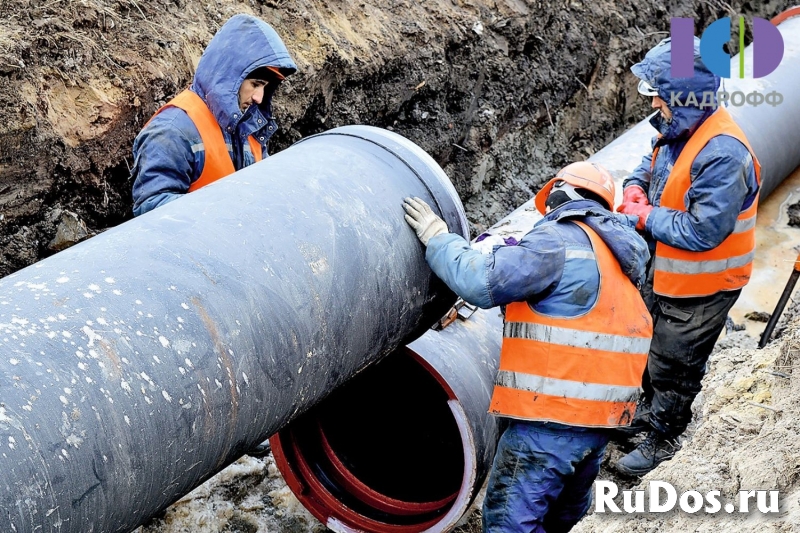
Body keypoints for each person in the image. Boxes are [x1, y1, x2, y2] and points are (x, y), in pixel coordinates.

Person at [403, 162, 653, 533]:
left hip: (547, 424)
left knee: (509, 525)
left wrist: (439, 237)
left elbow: (478, 281)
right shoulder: (621, 257)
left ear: (560, 194)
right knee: (559, 520)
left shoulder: (556, 240)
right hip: (598, 426)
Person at [615, 37, 760, 476]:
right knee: (648, 343)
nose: (654, 101)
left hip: (703, 285)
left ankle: (664, 436)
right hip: (667, 274)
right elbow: (652, 162)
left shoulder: (722, 153)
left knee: (675, 361)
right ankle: (646, 413)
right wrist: (635, 185)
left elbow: (702, 232)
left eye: (660, 92)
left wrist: (643, 217)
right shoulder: (680, 128)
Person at [131, 14, 297, 216]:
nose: (259, 98)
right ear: (231, 76)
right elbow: (151, 210)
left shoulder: (249, 125)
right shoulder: (172, 130)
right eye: (255, 84)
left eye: (264, 87)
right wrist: (225, 212)